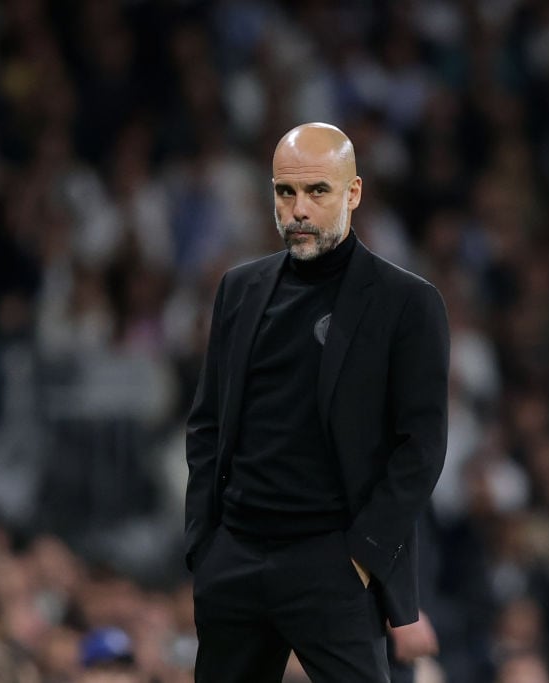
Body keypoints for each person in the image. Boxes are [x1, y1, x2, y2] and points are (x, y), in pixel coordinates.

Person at [185, 122, 450, 682]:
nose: (298, 209)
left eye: (317, 191)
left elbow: (421, 449)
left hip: (332, 566)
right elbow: (207, 423)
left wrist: (362, 557)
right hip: (235, 561)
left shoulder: (408, 302)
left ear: (353, 193)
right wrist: (205, 547)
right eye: (285, 192)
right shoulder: (239, 289)